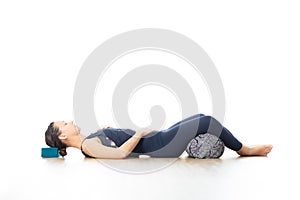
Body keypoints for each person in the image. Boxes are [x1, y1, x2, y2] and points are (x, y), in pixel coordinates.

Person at [45, 113, 273, 159]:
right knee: (207, 121)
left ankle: (239, 148)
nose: (71, 121)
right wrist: (140, 132)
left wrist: (106, 131)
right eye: (65, 123)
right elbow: (122, 154)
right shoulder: (89, 146)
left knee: (200, 116)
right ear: (63, 135)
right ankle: (245, 149)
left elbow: (116, 145)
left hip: (159, 140)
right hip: (161, 146)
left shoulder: (90, 140)